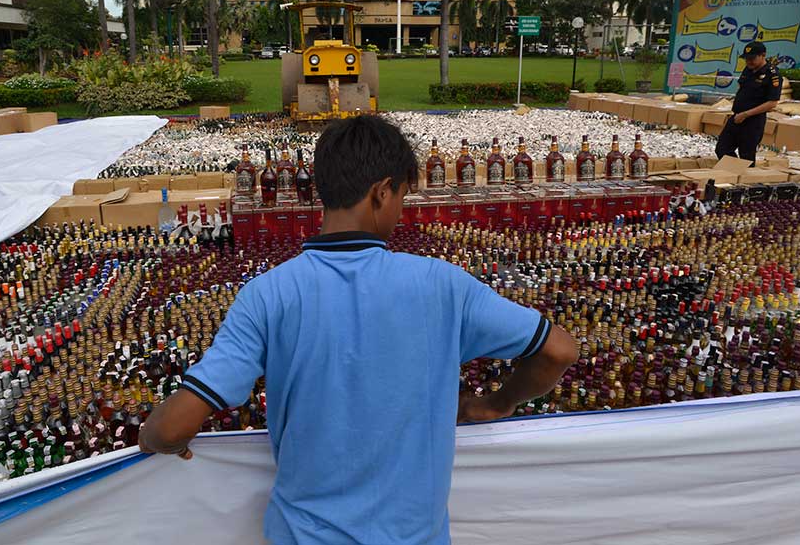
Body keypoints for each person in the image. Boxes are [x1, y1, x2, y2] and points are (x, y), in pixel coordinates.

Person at [140, 115, 578, 545]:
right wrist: (496, 404)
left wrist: (152, 436)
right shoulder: (441, 285)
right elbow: (558, 350)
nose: (401, 210)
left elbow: (172, 428)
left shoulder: (268, 294)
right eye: (402, 196)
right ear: (381, 192)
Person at [715, 42, 782, 165]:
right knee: (722, 148)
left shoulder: (772, 74)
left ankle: (742, 175)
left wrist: (746, 114)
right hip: (737, 116)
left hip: (753, 121)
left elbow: (772, 103)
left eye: (752, 58)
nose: (749, 61)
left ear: (763, 55)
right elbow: (742, 87)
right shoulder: (748, 70)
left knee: (746, 155)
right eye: (746, 59)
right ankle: (734, 171)